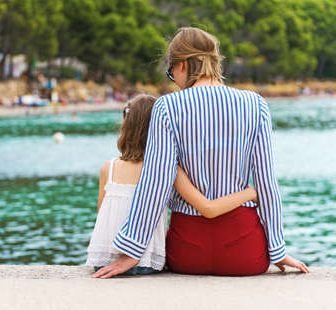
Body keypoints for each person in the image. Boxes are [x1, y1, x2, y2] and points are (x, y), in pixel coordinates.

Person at [92, 27, 309, 279]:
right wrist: (278, 249)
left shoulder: (167, 107)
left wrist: (132, 251)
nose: (173, 78)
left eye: (170, 72)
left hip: (187, 253)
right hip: (245, 253)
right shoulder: (256, 104)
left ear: (182, 65)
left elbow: (156, 183)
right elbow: (267, 184)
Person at [87, 94, 259, 275]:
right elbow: (208, 208)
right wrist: (251, 193)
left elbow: (101, 216)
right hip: (147, 261)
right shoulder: (168, 170)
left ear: (126, 127)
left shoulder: (108, 168)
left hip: (104, 261)